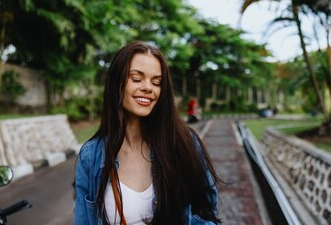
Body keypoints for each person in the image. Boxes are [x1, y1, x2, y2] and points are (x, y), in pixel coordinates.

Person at [74, 41, 222, 225]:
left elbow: (208, 214)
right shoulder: (91, 156)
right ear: (116, 84)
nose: (148, 88)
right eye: (136, 79)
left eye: (157, 82)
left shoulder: (185, 143)